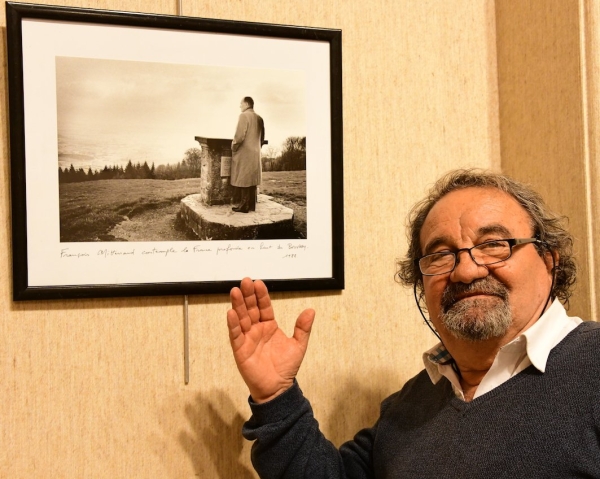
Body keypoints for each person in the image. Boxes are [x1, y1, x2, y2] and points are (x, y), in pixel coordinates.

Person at [226, 169, 600, 478]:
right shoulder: (407, 407)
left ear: (549, 261)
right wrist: (276, 397)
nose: (466, 270)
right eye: (441, 255)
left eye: (494, 244)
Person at [230, 96, 265, 213]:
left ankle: (243, 206)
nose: (240, 106)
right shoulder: (260, 118)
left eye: (241, 104)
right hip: (256, 153)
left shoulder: (243, 116)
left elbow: (239, 136)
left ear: (246, 104)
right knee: (252, 179)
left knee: (243, 179)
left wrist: (233, 148)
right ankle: (251, 205)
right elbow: (262, 138)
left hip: (244, 153)